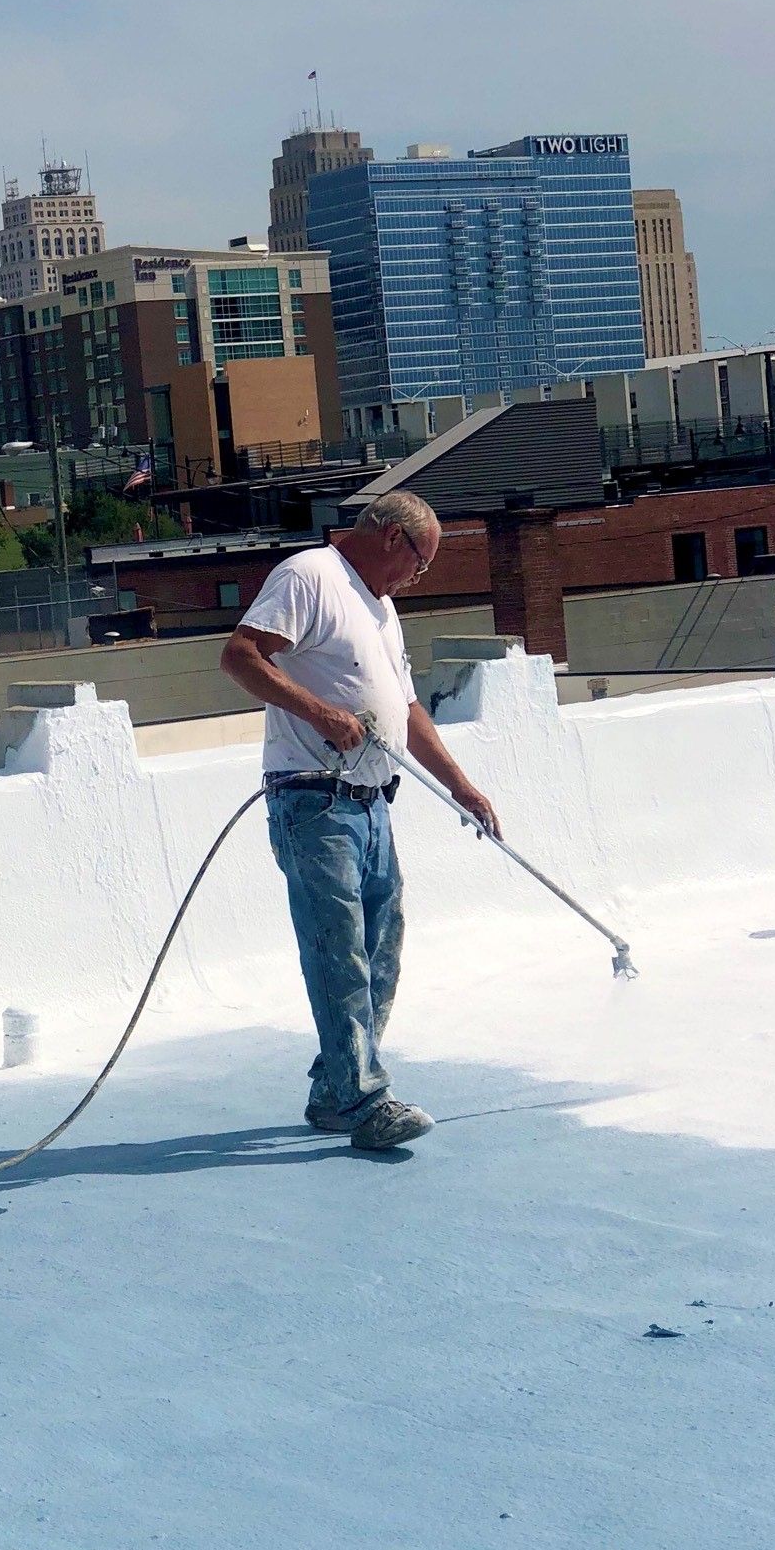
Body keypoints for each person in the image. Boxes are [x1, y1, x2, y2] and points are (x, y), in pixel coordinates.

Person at [220, 491, 499, 1152]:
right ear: (392, 539)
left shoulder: (381, 607)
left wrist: (461, 785)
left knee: (379, 954)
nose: (417, 577)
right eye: (421, 563)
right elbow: (240, 655)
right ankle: (361, 1098)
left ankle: (335, 1087)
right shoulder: (310, 576)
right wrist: (321, 715)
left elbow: (404, 709)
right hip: (314, 800)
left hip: (372, 803)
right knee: (338, 952)